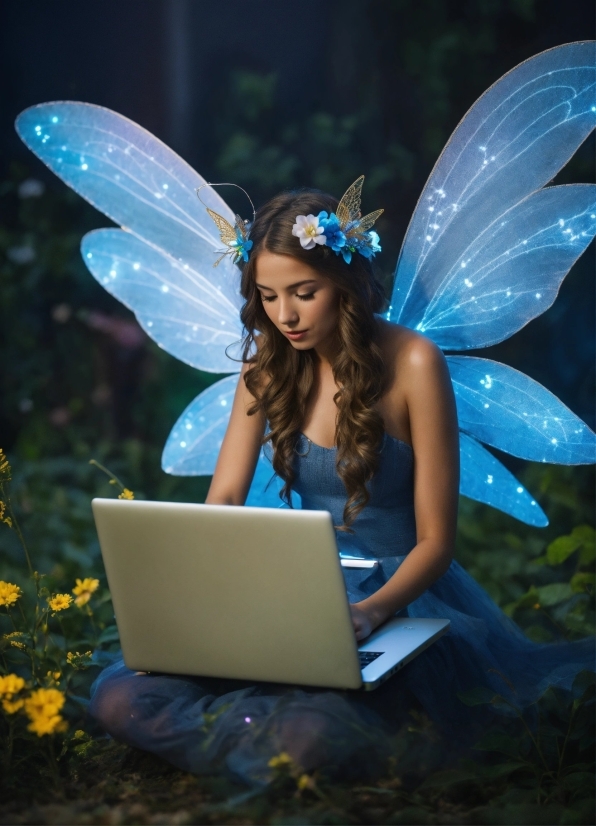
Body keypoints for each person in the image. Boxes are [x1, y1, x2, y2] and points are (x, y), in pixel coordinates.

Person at [89, 188, 594, 785]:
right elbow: (222, 502)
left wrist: (370, 613)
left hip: (398, 596)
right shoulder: (265, 369)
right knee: (119, 698)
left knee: (312, 737)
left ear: (346, 282)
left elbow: (436, 542)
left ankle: (269, 749)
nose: (286, 316)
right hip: (297, 588)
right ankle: (257, 745)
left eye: (305, 293)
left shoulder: (413, 363)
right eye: (269, 297)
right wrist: (203, 615)